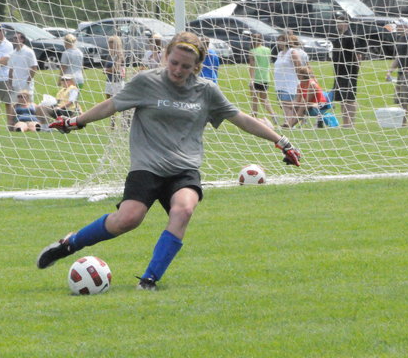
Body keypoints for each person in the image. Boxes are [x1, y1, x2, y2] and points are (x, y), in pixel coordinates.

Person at [36, 32, 302, 291]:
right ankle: (70, 244)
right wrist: (75, 121)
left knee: (183, 210)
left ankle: (149, 280)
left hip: (184, 168)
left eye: (186, 66)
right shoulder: (146, 82)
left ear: (196, 66)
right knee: (128, 219)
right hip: (147, 166)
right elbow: (111, 105)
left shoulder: (206, 91)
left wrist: (281, 141)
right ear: (166, 56)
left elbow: (241, 118)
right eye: (174, 62)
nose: (177, 70)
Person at [330, 14, 363, 127]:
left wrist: (355, 69)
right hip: (339, 72)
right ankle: (345, 123)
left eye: (339, 22)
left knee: (349, 98)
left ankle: (350, 123)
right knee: (342, 98)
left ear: (346, 23)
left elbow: (358, 55)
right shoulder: (338, 37)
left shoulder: (350, 37)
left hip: (349, 72)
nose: (337, 25)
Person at [273, 31, 308, 128]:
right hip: (279, 82)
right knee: (283, 104)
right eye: (278, 41)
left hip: (290, 82)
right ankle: (289, 121)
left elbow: (299, 66)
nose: (279, 43)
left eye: (281, 41)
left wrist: (300, 80)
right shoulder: (280, 53)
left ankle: (289, 123)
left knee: (287, 103)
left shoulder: (292, 52)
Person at [248, 33, 279, 125]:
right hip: (265, 78)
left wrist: (251, 79)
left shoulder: (252, 51)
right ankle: (273, 114)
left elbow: (252, 66)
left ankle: (253, 118)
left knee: (254, 99)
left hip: (256, 78)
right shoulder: (267, 50)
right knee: (264, 99)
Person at [104, 35, 125, 129]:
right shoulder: (109, 55)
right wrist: (107, 70)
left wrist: (106, 70)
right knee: (108, 103)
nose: (110, 46)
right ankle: (112, 124)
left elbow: (115, 69)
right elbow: (107, 67)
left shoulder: (120, 56)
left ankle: (125, 123)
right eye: (109, 44)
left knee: (120, 103)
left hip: (117, 82)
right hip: (109, 81)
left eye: (112, 44)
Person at [8, 32, 38, 98]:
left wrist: (27, 82)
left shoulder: (29, 52)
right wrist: (10, 84)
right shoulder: (12, 53)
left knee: (27, 103)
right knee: (14, 103)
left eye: (16, 38)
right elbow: (11, 70)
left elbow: (34, 68)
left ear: (22, 39)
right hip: (14, 85)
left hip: (25, 85)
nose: (14, 40)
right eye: (14, 38)